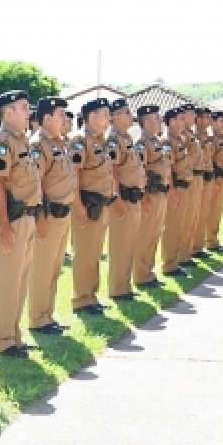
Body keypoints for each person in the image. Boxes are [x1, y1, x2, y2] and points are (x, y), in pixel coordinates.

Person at [0, 90, 42, 356]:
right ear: (8, 113)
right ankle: (3, 340)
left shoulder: (23, 141)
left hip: (27, 216)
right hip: (12, 220)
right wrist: (5, 226)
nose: (28, 111)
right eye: (23, 107)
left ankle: (14, 334)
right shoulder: (2, 142)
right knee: (7, 281)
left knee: (20, 280)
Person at [27, 97, 75, 334]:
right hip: (48, 215)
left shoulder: (59, 143)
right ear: (46, 118)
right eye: (61, 115)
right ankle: (37, 318)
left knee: (54, 268)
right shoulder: (38, 145)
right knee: (42, 269)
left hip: (63, 213)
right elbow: (37, 185)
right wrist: (41, 217)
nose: (65, 119)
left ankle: (47, 315)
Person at [69, 98, 115, 315]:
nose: (109, 118)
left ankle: (91, 296)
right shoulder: (80, 141)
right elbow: (74, 176)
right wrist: (79, 208)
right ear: (92, 116)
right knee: (85, 254)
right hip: (87, 205)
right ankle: (81, 299)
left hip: (100, 205)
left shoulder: (100, 141)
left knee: (94, 253)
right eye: (105, 114)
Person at [106, 98, 146, 301]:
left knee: (129, 243)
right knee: (121, 244)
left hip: (133, 197)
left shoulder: (127, 137)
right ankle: (118, 288)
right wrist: (118, 198)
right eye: (127, 112)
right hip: (123, 198)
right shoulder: (113, 138)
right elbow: (112, 170)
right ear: (115, 116)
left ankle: (125, 285)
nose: (131, 116)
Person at [133, 105, 172, 288]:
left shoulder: (156, 141)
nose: (160, 121)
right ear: (146, 122)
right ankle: (141, 275)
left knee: (155, 234)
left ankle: (148, 272)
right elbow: (141, 171)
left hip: (161, 193)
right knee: (145, 236)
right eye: (156, 118)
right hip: (151, 194)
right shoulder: (142, 143)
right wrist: (145, 197)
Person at [161, 107, 192, 277]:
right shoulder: (168, 141)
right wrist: (172, 190)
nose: (184, 122)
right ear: (171, 121)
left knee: (179, 225)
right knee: (172, 227)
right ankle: (169, 264)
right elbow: (168, 168)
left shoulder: (179, 140)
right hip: (176, 188)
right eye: (180, 119)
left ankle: (175, 260)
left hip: (183, 187)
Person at [178, 104, 202, 269]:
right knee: (184, 220)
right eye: (191, 113)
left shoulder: (190, 134)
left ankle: (187, 251)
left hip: (196, 177)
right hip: (188, 179)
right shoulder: (181, 137)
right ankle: (181, 255)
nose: (194, 116)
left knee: (193, 218)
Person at [190, 107, 215, 259]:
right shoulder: (193, 136)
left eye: (209, 117)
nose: (208, 120)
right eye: (205, 117)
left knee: (202, 213)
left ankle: (198, 246)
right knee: (194, 215)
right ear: (198, 119)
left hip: (206, 177)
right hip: (194, 178)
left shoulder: (207, 136)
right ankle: (192, 247)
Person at [206, 110, 223, 253]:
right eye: (221, 121)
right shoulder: (212, 140)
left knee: (218, 211)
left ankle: (213, 240)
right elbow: (210, 161)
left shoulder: (221, 139)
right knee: (214, 211)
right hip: (217, 179)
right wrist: (214, 181)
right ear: (213, 122)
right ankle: (210, 241)